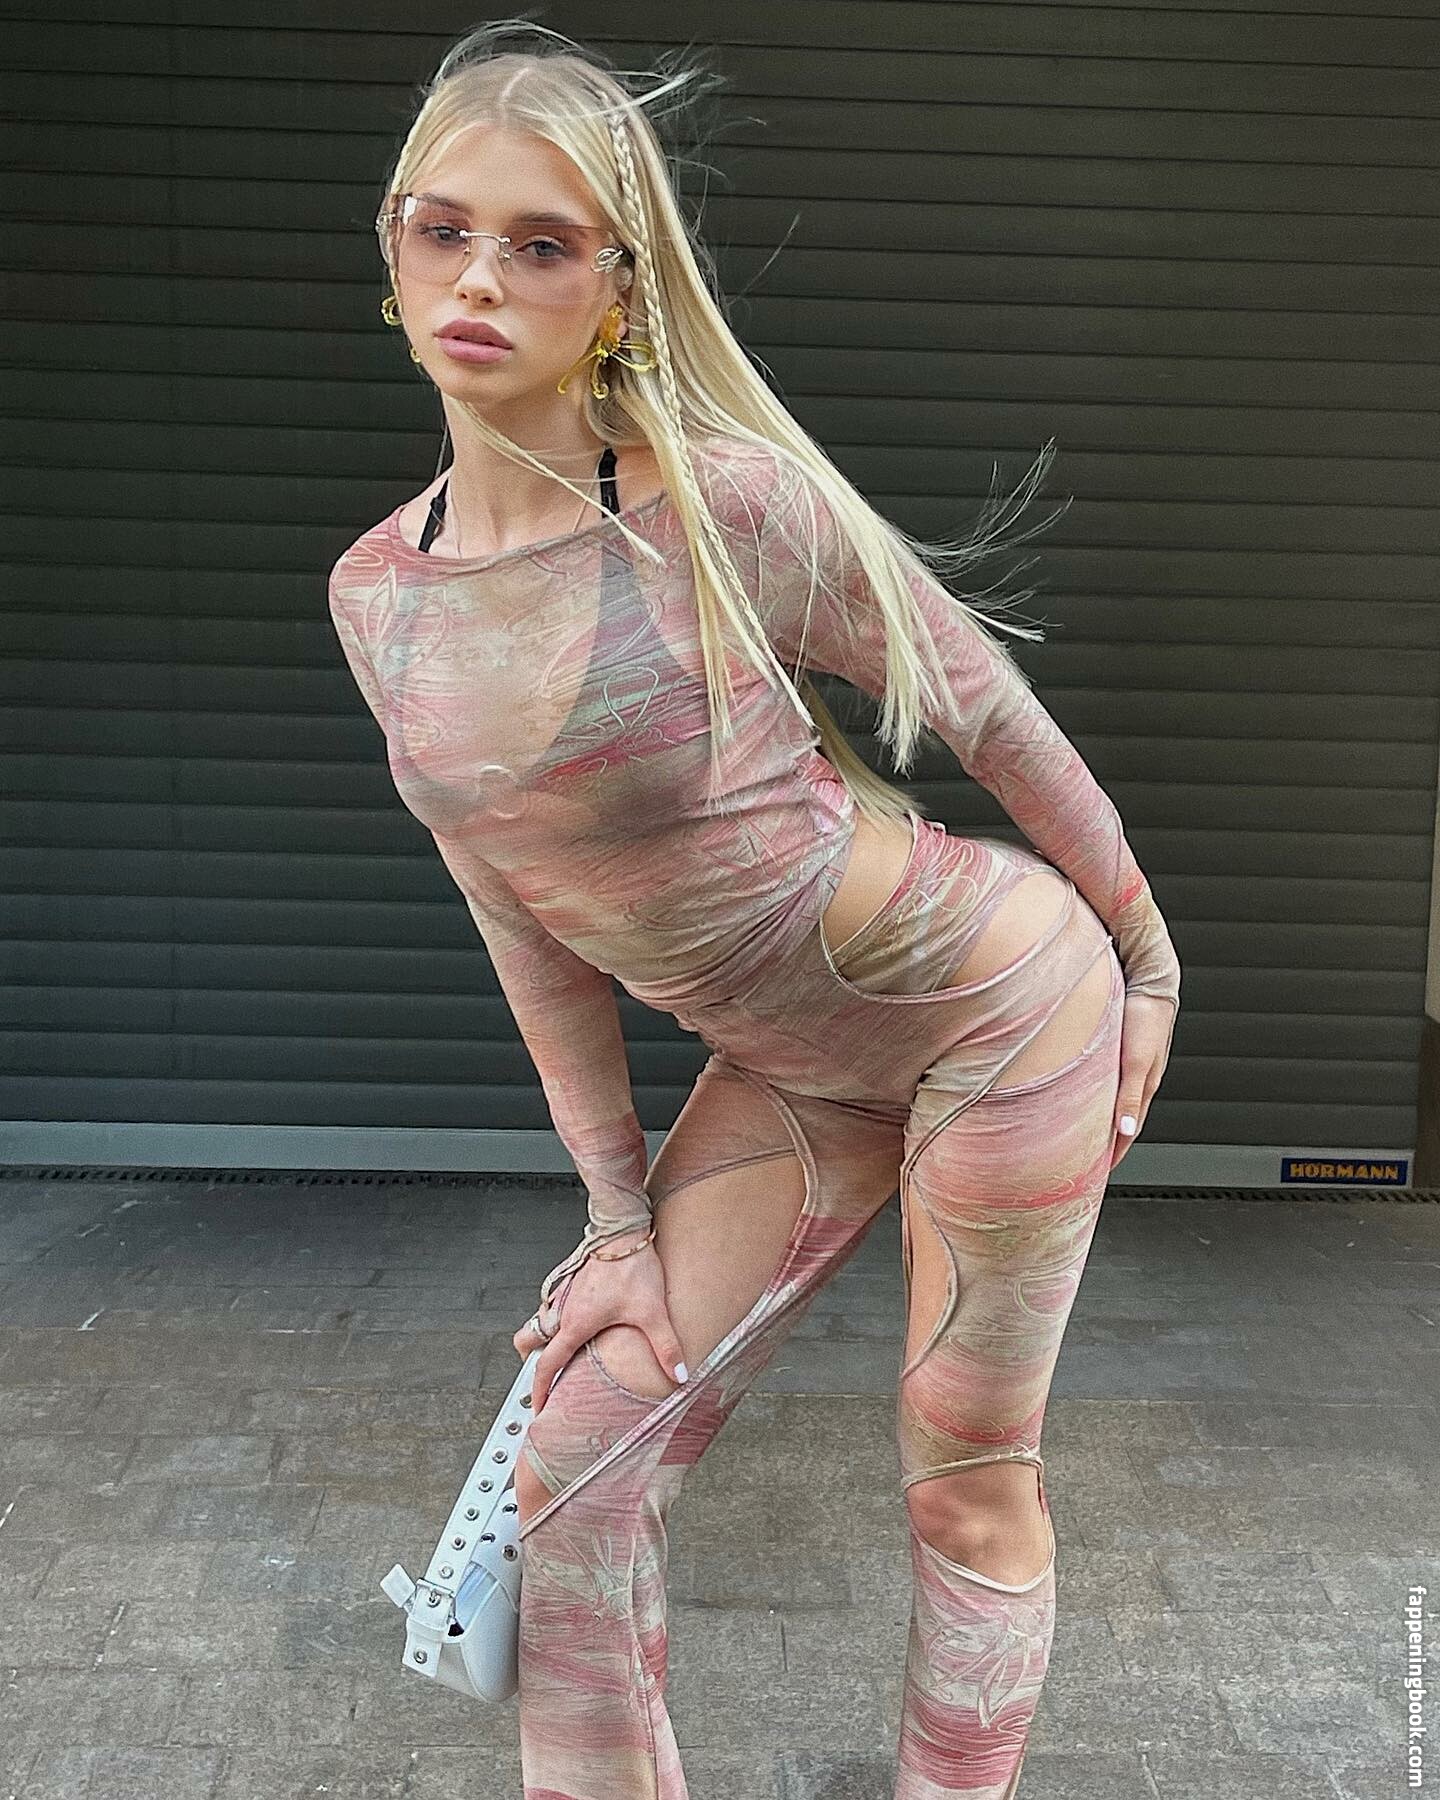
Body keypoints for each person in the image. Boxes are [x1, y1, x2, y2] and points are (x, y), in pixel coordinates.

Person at [327, 19, 1180, 1799]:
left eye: (542, 244)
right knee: (574, 1467)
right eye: (443, 229)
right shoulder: (378, 599)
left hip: (999, 1007)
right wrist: (612, 1219)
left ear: (618, 291)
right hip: (791, 1070)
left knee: (962, 1465)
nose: (479, 276)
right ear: (391, 252)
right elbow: (515, 915)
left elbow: (990, 716)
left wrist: (1148, 959)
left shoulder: (726, 511)